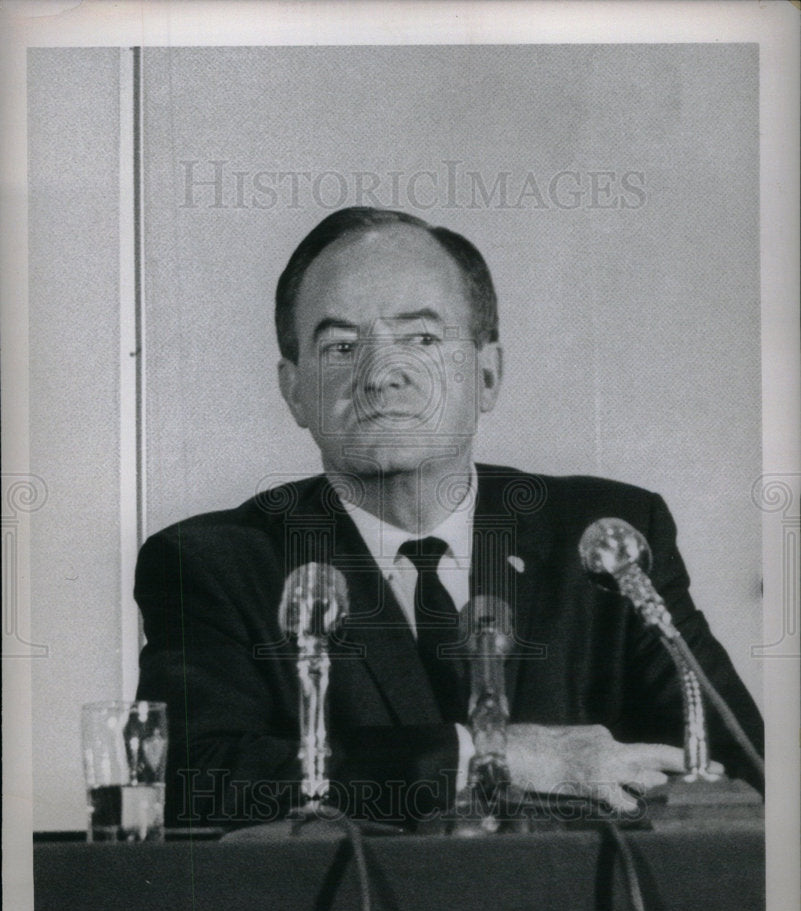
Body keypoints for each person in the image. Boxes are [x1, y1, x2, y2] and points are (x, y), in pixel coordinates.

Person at [134, 207, 763, 828]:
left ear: (487, 375)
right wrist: (487, 757)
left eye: (422, 339)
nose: (381, 376)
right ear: (294, 391)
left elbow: (744, 767)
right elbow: (192, 777)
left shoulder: (606, 538)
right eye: (342, 346)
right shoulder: (214, 563)